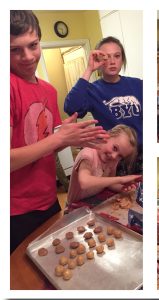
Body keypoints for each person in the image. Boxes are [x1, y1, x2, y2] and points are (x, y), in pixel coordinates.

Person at [10, 10, 109, 253]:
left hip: (48, 199)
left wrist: (76, 137)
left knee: (54, 258)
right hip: (14, 210)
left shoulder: (48, 90)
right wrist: (59, 137)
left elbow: (47, 145)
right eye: (14, 49)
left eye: (33, 45)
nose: (27, 56)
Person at [64, 36, 143, 174]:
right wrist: (89, 69)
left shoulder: (138, 84)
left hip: (142, 152)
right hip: (114, 158)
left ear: (122, 59)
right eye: (106, 57)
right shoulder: (92, 90)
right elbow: (71, 107)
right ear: (99, 61)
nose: (112, 61)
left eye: (117, 56)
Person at [66, 124, 142, 211]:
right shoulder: (87, 154)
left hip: (93, 203)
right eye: (115, 148)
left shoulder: (113, 160)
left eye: (120, 156)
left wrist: (122, 188)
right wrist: (120, 179)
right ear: (107, 136)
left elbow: (110, 183)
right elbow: (84, 182)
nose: (114, 156)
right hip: (75, 207)